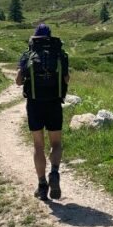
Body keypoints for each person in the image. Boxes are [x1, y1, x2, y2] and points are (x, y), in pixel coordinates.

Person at [16, 23, 70, 201]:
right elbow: (66, 78)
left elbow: (18, 81)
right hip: (54, 103)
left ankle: (41, 185)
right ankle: (54, 172)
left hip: (34, 104)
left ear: (35, 37)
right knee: (56, 143)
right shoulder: (60, 54)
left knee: (38, 146)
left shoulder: (28, 54)